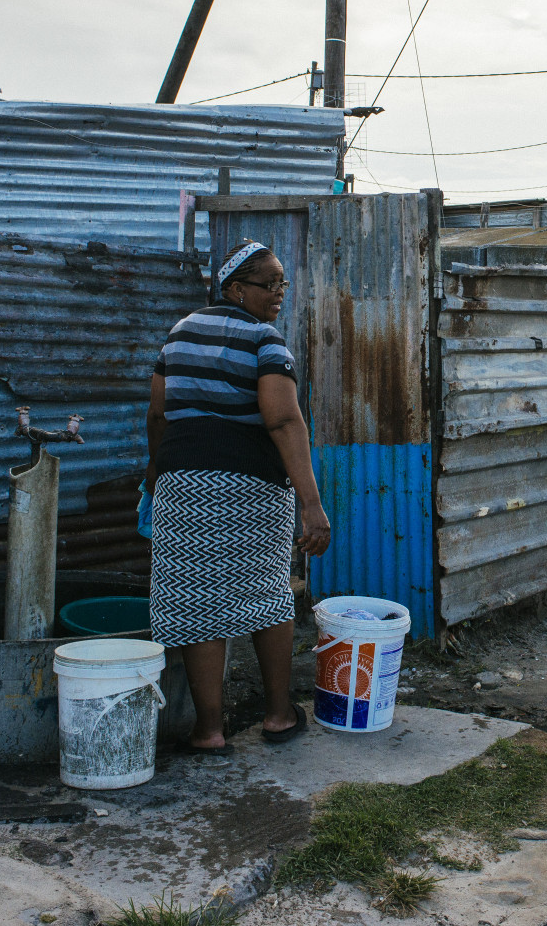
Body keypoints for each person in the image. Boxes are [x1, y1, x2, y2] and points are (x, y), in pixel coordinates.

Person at [147, 240, 333, 751]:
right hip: (250, 486)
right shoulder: (264, 340)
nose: (278, 293)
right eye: (267, 284)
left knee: (197, 598)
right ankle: (278, 715)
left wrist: (155, 475)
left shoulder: (179, 333)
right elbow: (283, 420)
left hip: (183, 486)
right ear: (234, 289)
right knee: (266, 593)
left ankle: (209, 731)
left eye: (281, 283)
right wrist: (311, 505)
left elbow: (158, 414)